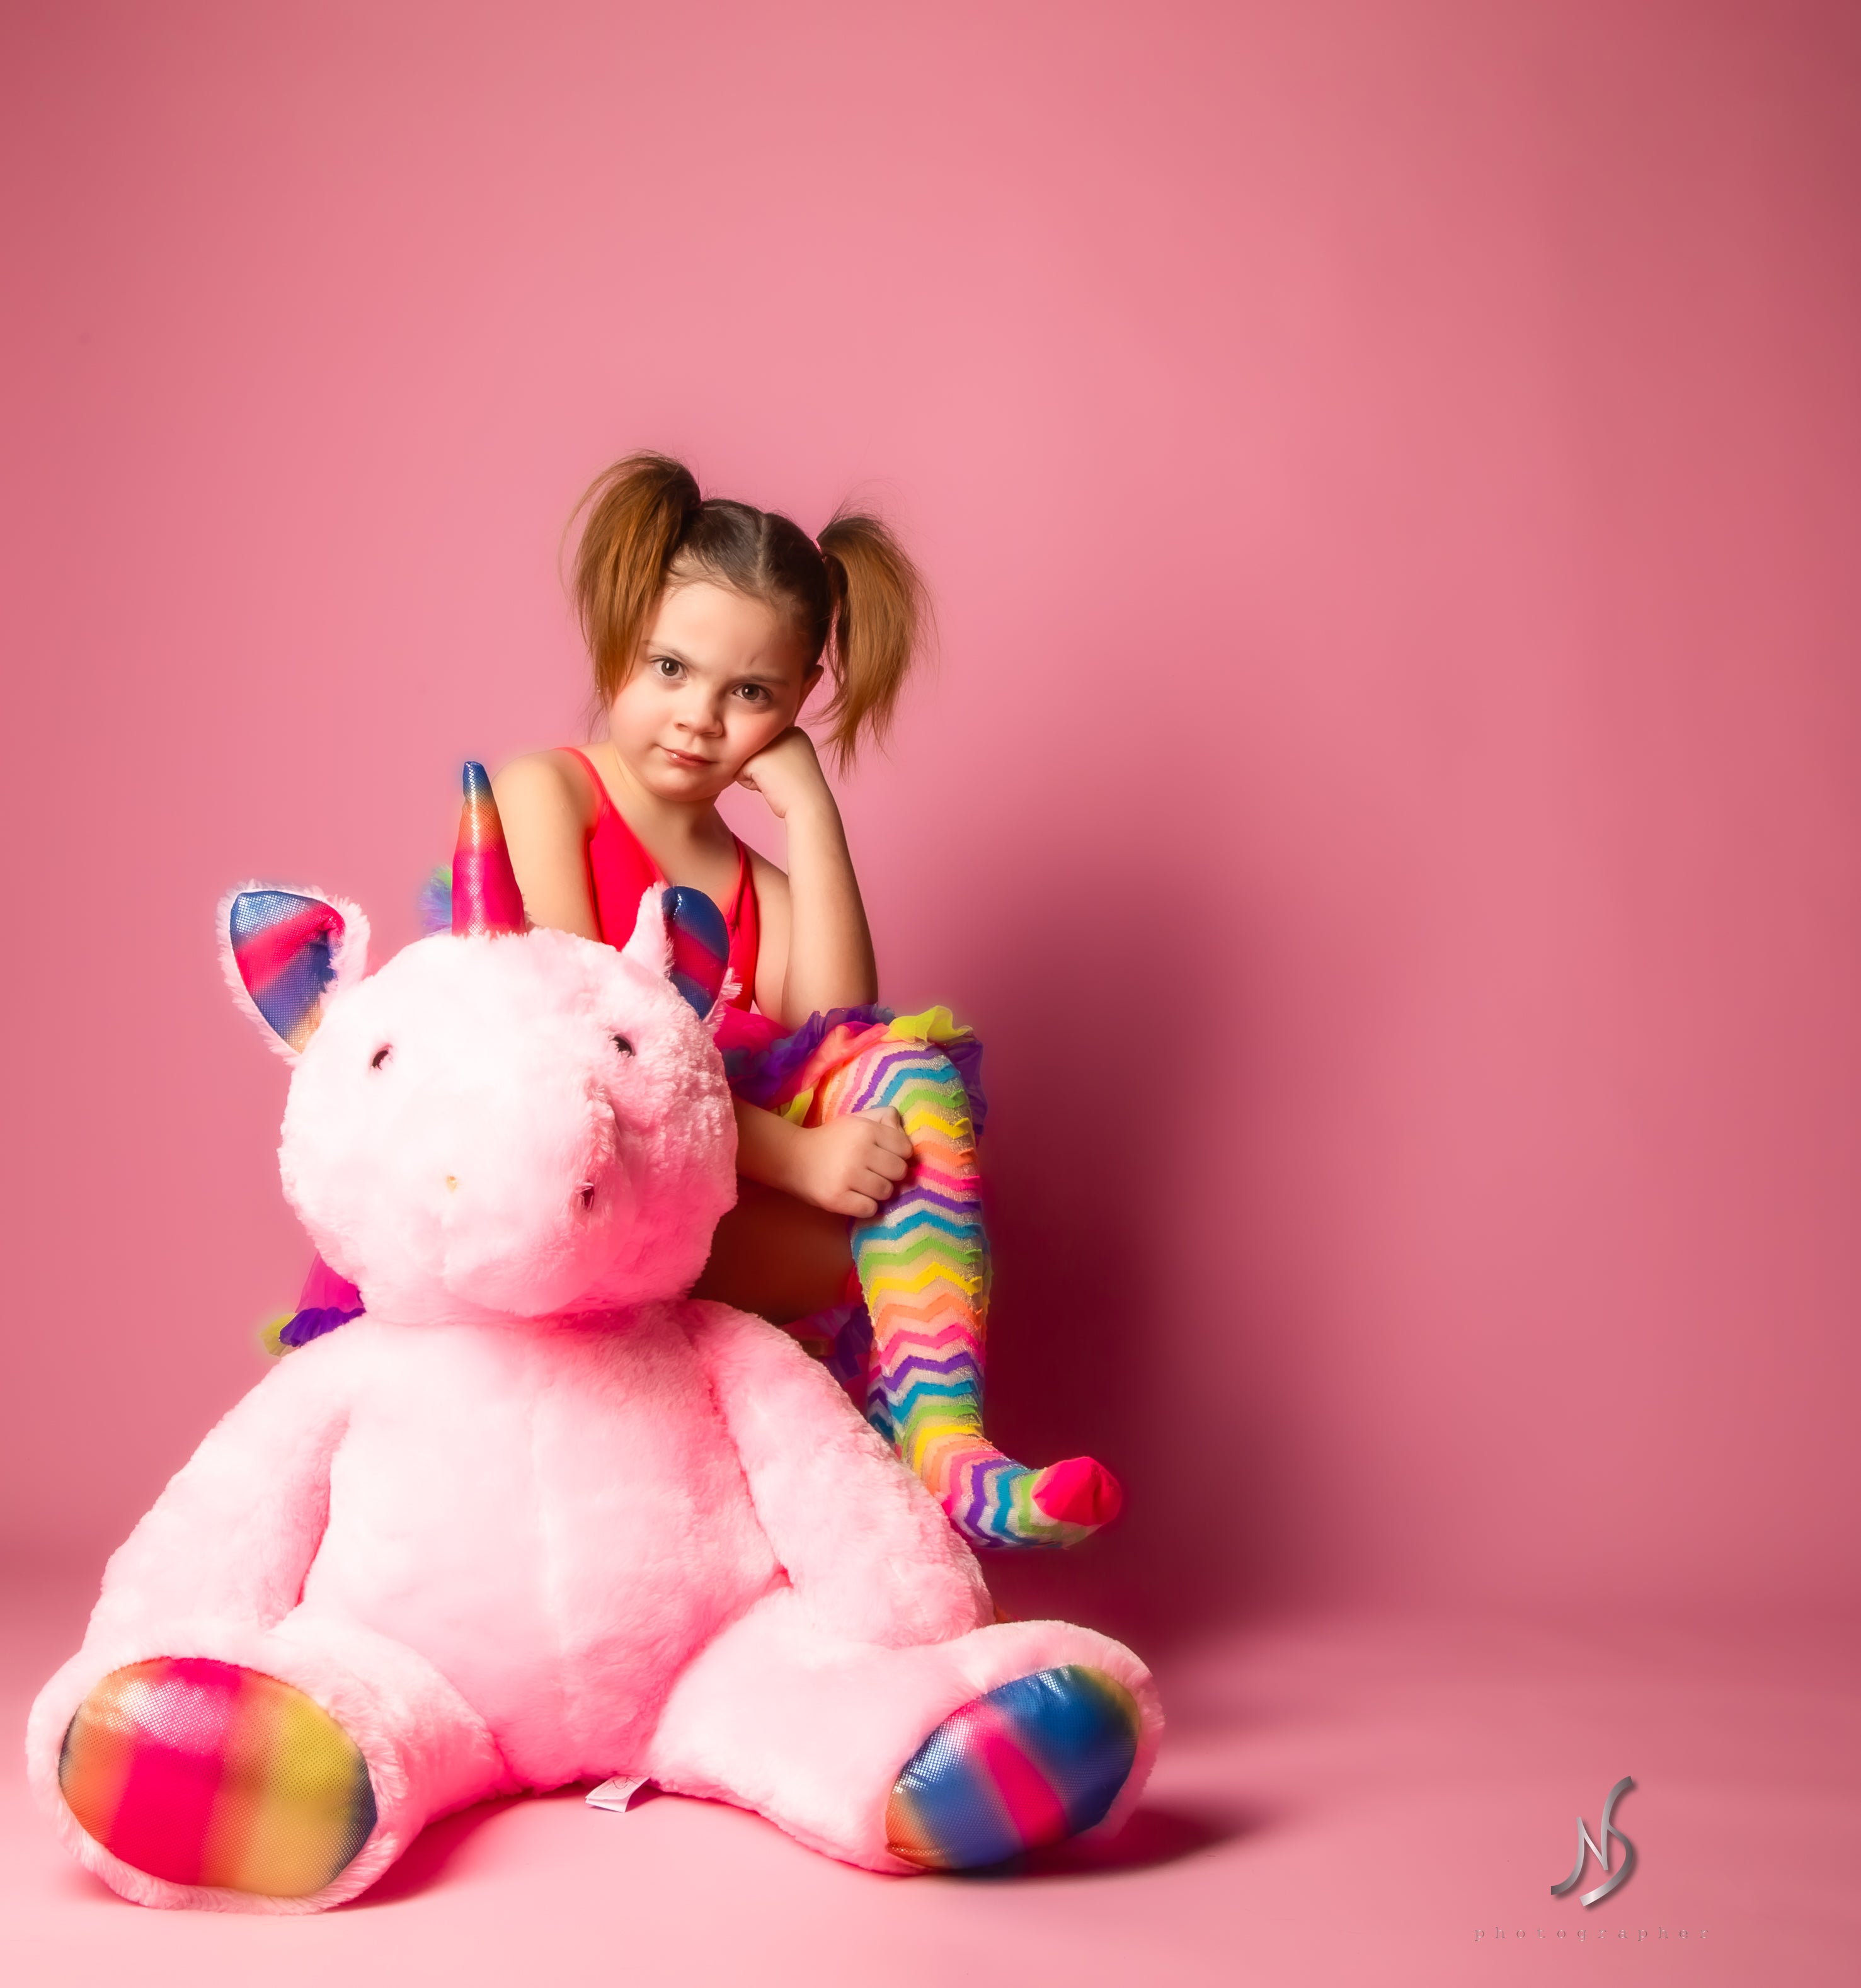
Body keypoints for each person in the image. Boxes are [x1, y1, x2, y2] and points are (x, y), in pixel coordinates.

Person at [490, 454, 1116, 1551]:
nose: (699, 719)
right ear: (620, 635)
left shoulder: (751, 883)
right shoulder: (546, 795)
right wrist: (801, 1163)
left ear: (793, 706)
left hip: (709, 1205)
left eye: (751, 696)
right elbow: (592, 1050)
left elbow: (838, 1026)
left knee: (904, 1080)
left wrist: (807, 804)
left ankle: (946, 1454)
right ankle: (906, 1459)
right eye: (670, 668)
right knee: (872, 1197)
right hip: (580, 1205)